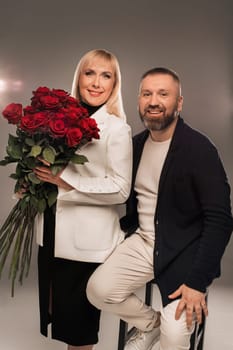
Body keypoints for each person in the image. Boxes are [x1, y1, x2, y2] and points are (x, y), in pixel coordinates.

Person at [86, 67, 233, 350]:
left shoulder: (199, 149)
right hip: (144, 243)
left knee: (176, 335)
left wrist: (197, 283)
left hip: (185, 252)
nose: (154, 101)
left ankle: (166, 327)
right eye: (147, 94)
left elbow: (220, 220)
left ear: (179, 102)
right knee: (98, 290)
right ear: (139, 100)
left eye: (163, 94)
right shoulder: (136, 145)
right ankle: (151, 325)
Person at [33, 49, 132, 350]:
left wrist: (67, 183)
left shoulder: (117, 128)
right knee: (59, 319)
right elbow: (43, 170)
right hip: (51, 234)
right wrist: (27, 187)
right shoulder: (56, 121)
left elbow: (120, 189)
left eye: (106, 76)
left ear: (115, 84)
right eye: (90, 73)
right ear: (79, 76)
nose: (97, 83)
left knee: (79, 332)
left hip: (86, 245)